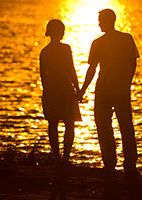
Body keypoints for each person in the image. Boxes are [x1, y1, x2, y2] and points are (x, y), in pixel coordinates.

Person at [78, 9, 140, 179]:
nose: (98, 23)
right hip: (120, 88)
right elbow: (132, 63)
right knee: (126, 127)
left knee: (104, 127)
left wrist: (83, 90)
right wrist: (128, 82)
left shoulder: (98, 43)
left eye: (100, 20)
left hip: (104, 89)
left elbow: (91, 69)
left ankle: (110, 164)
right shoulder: (126, 39)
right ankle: (130, 166)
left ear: (107, 21)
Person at [39, 19, 82, 167]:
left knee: (53, 123)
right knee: (69, 123)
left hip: (51, 89)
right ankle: (65, 158)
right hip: (65, 89)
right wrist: (78, 89)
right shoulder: (65, 49)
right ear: (58, 32)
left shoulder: (44, 52)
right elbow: (71, 70)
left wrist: (46, 92)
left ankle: (57, 158)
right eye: (62, 30)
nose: (63, 33)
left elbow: (42, 75)